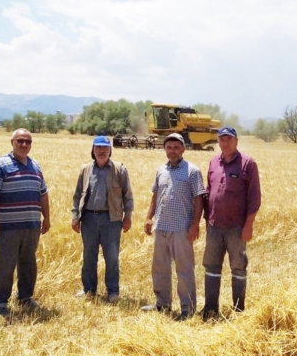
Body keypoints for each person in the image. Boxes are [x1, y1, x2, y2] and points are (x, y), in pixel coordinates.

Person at [0, 128, 51, 319]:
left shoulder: (35, 166)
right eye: (20, 141)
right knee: (4, 265)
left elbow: (43, 194)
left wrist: (46, 217)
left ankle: (25, 298)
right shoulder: (0, 165)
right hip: (7, 227)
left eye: (28, 142)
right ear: (12, 142)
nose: (24, 144)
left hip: (31, 226)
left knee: (28, 264)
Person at [142, 133, 205, 321]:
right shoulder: (161, 170)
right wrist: (148, 217)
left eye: (176, 147)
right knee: (160, 267)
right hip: (161, 226)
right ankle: (162, 303)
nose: (172, 151)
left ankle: (187, 308)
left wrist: (195, 224)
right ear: (165, 149)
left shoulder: (192, 171)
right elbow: (155, 195)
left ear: (183, 149)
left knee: (184, 269)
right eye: (169, 147)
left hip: (182, 228)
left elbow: (199, 199)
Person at [201, 126, 261, 320]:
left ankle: (238, 310)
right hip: (214, 226)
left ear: (236, 141)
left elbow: (254, 198)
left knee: (238, 267)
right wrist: (206, 220)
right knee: (211, 267)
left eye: (229, 139)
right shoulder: (213, 163)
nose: (225, 143)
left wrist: (248, 225)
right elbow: (208, 193)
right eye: (221, 139)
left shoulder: (247, 164)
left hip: (237, 227)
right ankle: (210, 309)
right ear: (218, 142)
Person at [71, 136, 134, 303]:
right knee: (89, 256)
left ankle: (113, 291)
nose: (101, 151)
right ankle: (88, 290)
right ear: (93, 150)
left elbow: (127, 196)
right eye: (98, 147)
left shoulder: (119, 169)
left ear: (110, 150)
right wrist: (75, 216)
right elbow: (77, 195)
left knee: (111, 257)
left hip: (111, 219)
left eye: (105, 148)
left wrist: (128, 217)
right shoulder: (85, 170)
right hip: (89, 218)